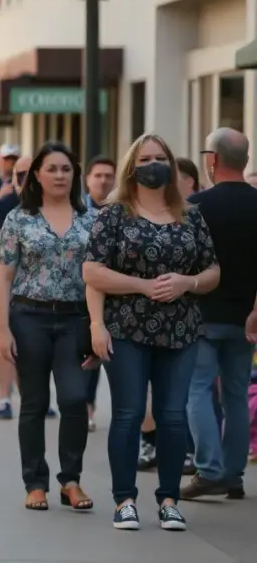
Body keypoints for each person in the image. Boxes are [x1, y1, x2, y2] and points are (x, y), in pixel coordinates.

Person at [84, 133, 220, 531]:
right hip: (126, 326)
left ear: (172, 164)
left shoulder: (190, 214)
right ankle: (124, 499)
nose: (153, 164)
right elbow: (92, 272)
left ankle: (169, 500)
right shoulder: (113, 214)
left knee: (173, 416)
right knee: (128, 414)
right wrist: (139, 289)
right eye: (145, 158)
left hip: (181, 329)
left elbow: (213, 270)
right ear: (132, 166)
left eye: (160, 157)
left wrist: (187, 283)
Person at [0, 142, 94, 510]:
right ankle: (35, 482)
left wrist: (100, 326)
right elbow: (3, 275)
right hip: (29, 317)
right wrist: (3, 330)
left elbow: (99, 276)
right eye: (51, 169)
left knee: (73, 399)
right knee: (34, 402)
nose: (59, 175)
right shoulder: (19, 218)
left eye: (66, 169)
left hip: (75, 319)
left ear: (74, 175)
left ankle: (71, 480)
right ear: (36, 174)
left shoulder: (91, 219)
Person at [182, 128, 257, 500]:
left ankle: (209, 470)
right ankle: (233, 474)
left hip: (201, 314)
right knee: (236, 395)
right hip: (246, 318)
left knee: (197, 389)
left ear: (212, 160)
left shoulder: (195, 206)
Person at [0, 155, 32, 420]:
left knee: (34, 342)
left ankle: (33, 397)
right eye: (19, 174)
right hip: (2, 280)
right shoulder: (3, 206)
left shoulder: (54, 205)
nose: (25, 179)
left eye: (30, 173)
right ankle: (4, 398)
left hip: (38, 286)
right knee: (5, 336)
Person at [82, 155, 116, 429]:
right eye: (98, 175)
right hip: (85, 294)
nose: (103, 180)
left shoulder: (123, 210)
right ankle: (87, 407)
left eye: (108, 175)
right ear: (87, 180)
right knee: (88, 353)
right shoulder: (77, 210)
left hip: (117, 295)